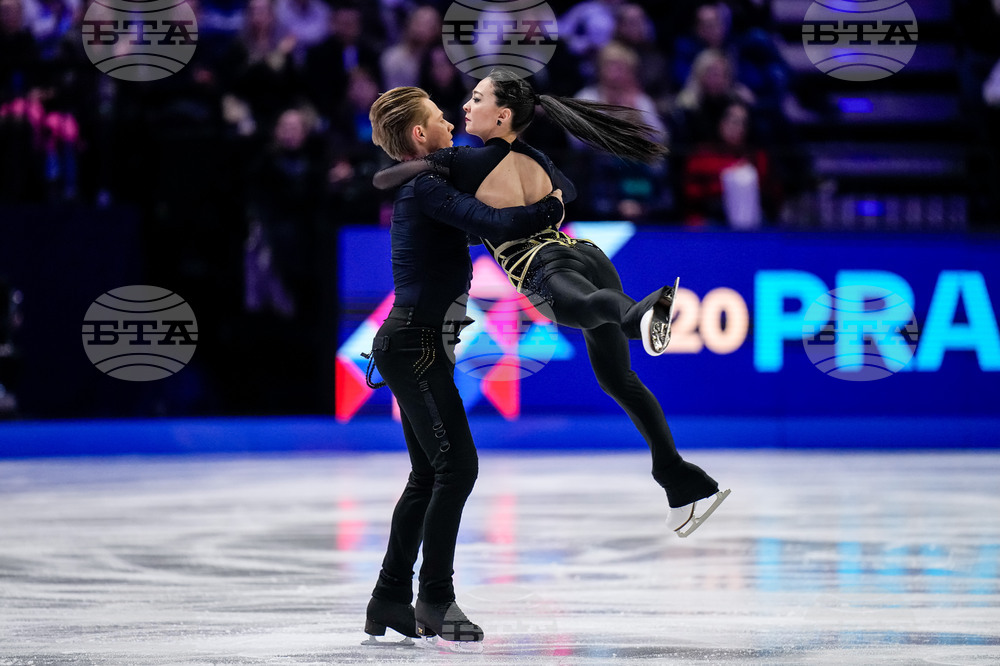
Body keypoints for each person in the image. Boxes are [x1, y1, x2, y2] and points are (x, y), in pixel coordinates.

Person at [374, 68, 729, 542]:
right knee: (618, 378)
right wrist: (546, 204)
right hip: (585, 252)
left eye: (475, 100)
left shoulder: (463, 163)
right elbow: (569, 192)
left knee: (584, 308)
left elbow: (392, 177)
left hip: (538, 262)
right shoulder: (537, 156)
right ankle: (680, 479)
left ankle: (638, 314)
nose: (464, 108)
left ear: (501, 116)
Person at [363, 86, 565, 646]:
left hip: (419, 344)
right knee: (458, 469)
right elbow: (494, 223)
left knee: (430, 474)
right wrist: (550, 209)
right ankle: (434, 597)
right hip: (414, 345)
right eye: (439, 118)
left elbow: (483, 208)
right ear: (420, 136)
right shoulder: (425, 186)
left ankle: (388, 597)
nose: (452, 120)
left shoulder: (430, 179)